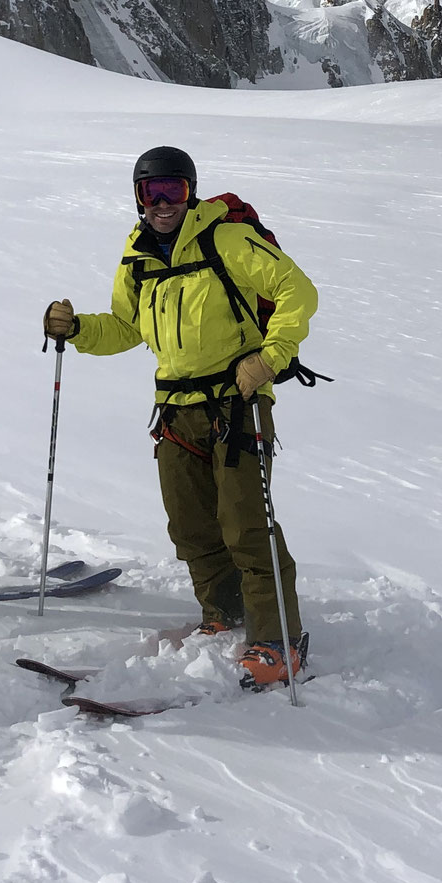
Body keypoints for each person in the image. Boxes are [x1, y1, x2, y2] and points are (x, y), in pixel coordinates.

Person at [43, 145, 318, 689]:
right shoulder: (138, 254)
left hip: (237, 403)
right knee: (190, 526)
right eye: (152, 192)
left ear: (191, 192)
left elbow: (297, 291)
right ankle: (224, 614)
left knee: (245, 525)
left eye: (175, 191)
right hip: (175, 410)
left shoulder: (227, 239)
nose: (163, 202)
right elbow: (127, 328)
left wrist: (269, 358)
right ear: (138, 197)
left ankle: (278, 638)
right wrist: (75, 331)